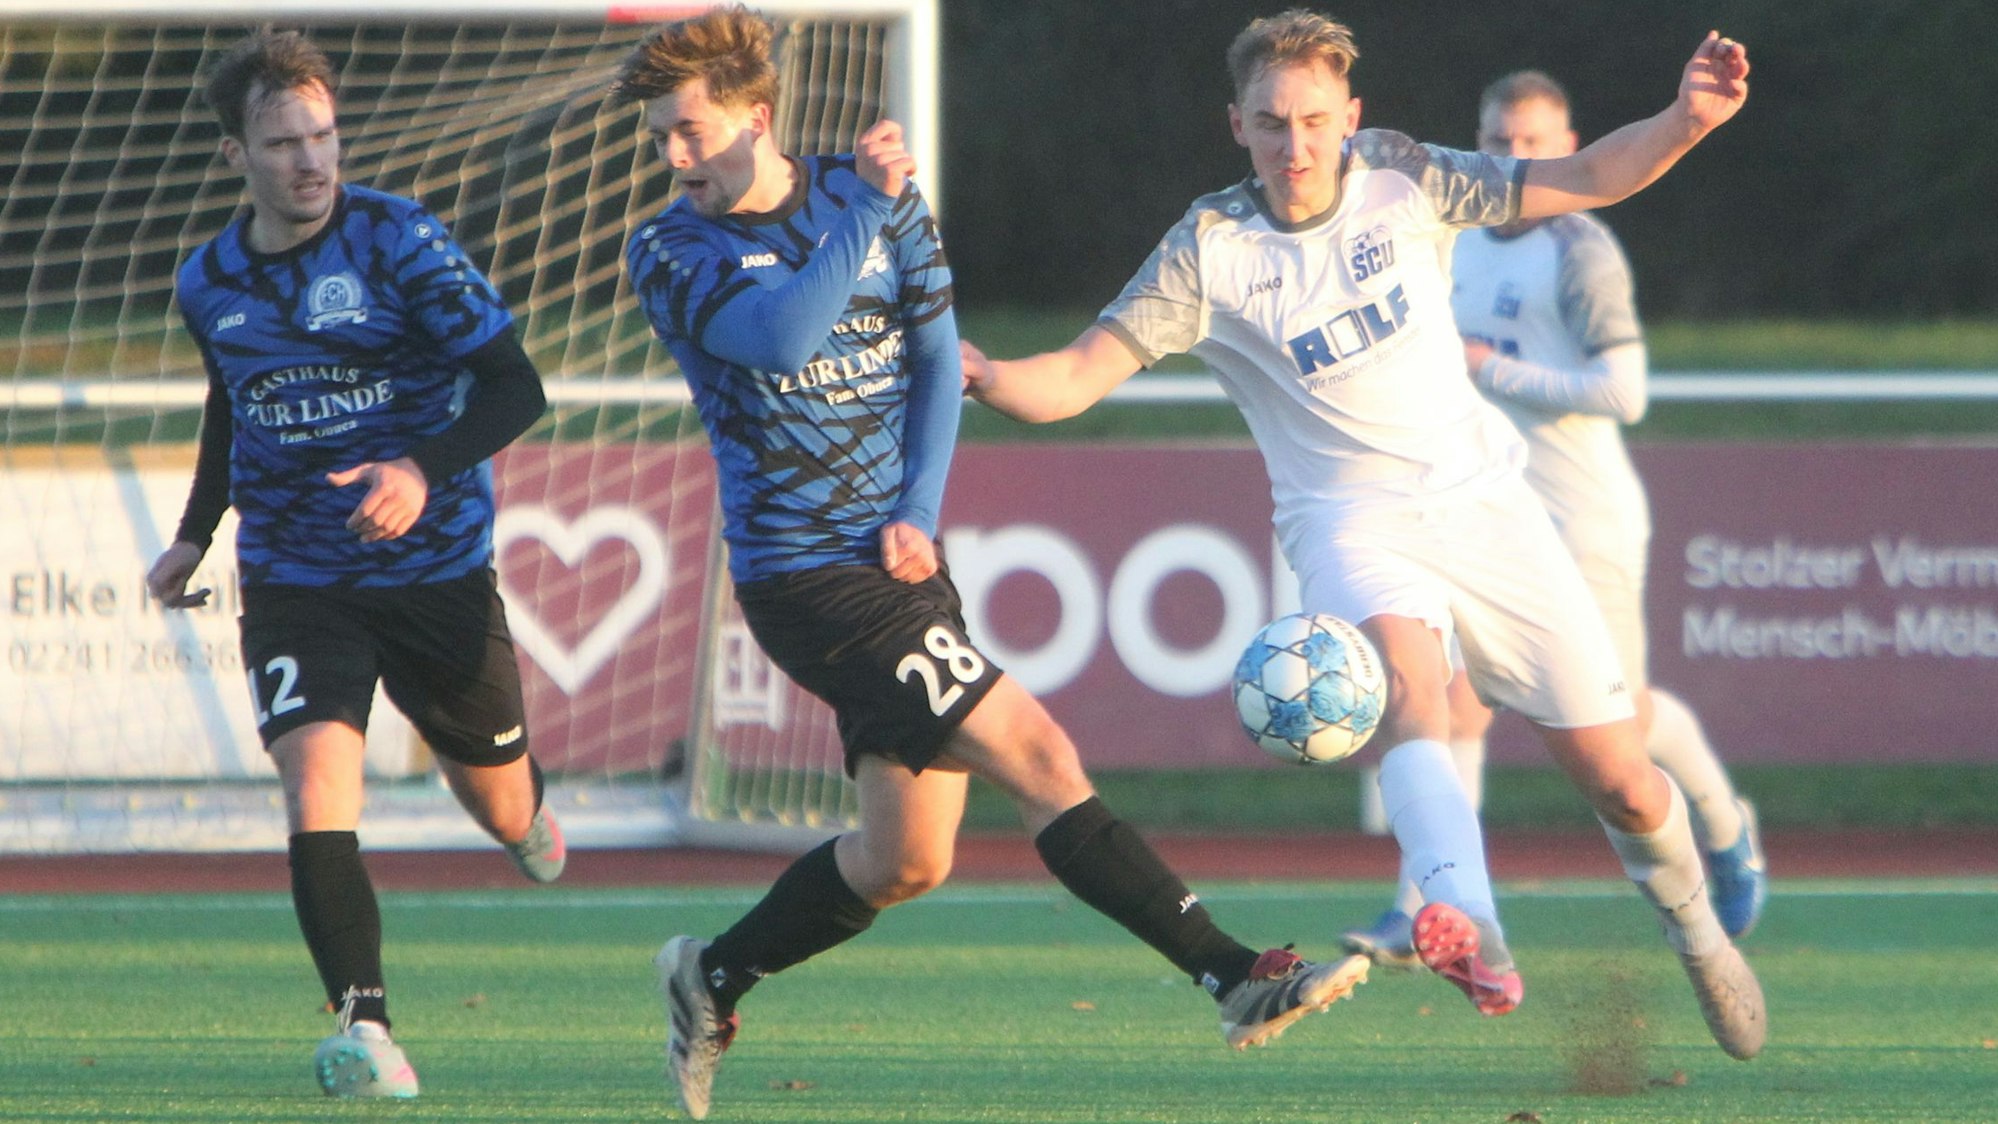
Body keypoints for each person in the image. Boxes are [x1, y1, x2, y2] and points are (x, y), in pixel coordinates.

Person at [608, 7, 1370, 1118]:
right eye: (662, 137)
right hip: (803, 575)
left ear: (755, 117)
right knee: (1040, 749)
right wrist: (866, 207)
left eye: (691, 131)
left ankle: (710, 974)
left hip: (900, 563)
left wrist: (919, 505)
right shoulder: (672, 245)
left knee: (907, 858)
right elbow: (779, 338)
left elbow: (931, 358)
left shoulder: (877, 196)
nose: (676, 158)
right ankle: (1233, 972)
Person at [963, 10, 1765, 1060]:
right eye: (1268, 123)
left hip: (1485, 501)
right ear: (1235, 126)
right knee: (1407, 678)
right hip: (1346, 519)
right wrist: (986, 376)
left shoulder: (1406, 179)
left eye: (1311, 120)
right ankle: (1467, 921)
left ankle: (1697, 929)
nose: (1293, 145)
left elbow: (1590, 177)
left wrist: (1687, 120)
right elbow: (1075, 374)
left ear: (1352, 116)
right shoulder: (1209, 251)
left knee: (1618, 775)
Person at [145, 28, 565, 1100]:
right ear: (235, 152)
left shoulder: (401, 243)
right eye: (284, 141)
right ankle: (369, 1028)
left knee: (503, 804)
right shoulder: (209, 281)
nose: (312, 161)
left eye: (324, 135)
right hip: (297, 574)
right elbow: (230, 404)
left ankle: (525, 810)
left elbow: (518, 387)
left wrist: (421, 469)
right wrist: (198, 528)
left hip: (434, 571)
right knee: (315, 782)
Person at [1341, 68, 1769, 969]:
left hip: (1584, 518)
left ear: (1568, 148)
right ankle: (1429, 908)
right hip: (1480, 513)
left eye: (1533, 142)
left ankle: (1727, 829)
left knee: (1629, 721)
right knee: (1451, 706)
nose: (1513, 157)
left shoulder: (1582, 251)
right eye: (1498, 140)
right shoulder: (1443, 235)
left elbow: (1626, 391)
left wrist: (1493, 368)